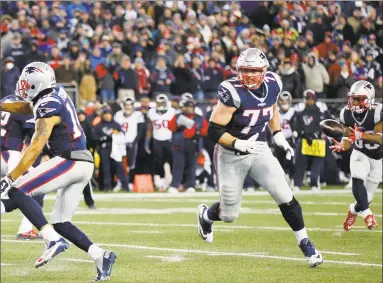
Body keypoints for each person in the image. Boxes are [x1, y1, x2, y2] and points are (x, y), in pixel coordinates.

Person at [196, 48, 323, 268]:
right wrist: (238, 143)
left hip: (259, 149)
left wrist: (278, 135)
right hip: (230, 154)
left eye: (253, 71)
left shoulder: (274, 83)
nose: (248, 75)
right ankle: (206, 216)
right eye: (244, 70)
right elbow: (214, 131)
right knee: (229, 215)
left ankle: (304, 242)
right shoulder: (232, 92)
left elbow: (271, 108)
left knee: (284, 194)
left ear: (264, 71)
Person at [0, 62, 116, 281]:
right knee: (61, 222)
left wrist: (10, 177)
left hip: (70, 160)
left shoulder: (47, 106)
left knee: (17, 190)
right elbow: (26, 108)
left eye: (26, 83)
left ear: (36, 84)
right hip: (82, 162)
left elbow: (35, 147)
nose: (22, 87)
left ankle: (52, 240)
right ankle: (101, 255)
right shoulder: (53, 94)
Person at [330, 80, 381, 231]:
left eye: (360, 99)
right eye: (354, 98)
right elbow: (347, 139)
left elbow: (380, 138)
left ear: (369, 99)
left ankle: (353, 210)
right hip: (360, 152)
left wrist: (361, 135)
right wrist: (342, 144)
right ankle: (367, 214)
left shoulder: (378, 112)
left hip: (378, 158)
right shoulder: (346, 113)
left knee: (367, 198)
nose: (356, 102)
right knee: (357, 180)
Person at [0, 95, 44, 240]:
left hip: (5, 154)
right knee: (38, 186)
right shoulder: (22, 107)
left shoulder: (4, 101)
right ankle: (25, 230)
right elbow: (34, 135)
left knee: (9, 191)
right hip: (9, 155)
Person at [168, 99, 208, 193]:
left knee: (192, 166)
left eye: (190, 107)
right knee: (178, 166)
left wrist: (199, 134)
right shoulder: (177, 116)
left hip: (193, 143)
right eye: (186, 107)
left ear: (194, 108)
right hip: (179, 143)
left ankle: (191, 186)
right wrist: (178, 127)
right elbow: (170, 127)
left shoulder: (199, 118)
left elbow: (205, 130)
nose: (188, 109)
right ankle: (175, 185)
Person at [292, 89, 327, 192]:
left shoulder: (320, 113)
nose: (310, 101)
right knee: (300, 163)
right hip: (304, 141)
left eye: (312, 99)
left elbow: (325, 125)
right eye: (308, 99)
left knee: (317, 164)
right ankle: (297, 184)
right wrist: (304, 135)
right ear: (305, 100)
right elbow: (296, 127)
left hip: (318, 141)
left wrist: (317, 135)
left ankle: (314, 184)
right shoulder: (300, 113)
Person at [94, 106, 128, 192]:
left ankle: (125, 186)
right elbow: (94, 136)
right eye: (105, 114)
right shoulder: (99, 125)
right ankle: (107, 186)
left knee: (119, 167)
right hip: (104, 148)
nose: (107, 116)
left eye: (109, 114)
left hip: (115, 149)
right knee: (106, 168)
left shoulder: (116, 124)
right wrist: (104, 137)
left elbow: (122, 133)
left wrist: (117, 134)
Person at [114, 98, 145, 189]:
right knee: (120, 163)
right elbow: (116, 128)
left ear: (132, 105)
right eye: (126, 105)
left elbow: (140, 130)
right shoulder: (118, 114)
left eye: (129, 105)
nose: (128, 107)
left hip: (132, 142)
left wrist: (134, 141)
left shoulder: (138, 115)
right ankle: (120, 182)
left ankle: (130, 182)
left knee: (131, 164)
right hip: (120, 143)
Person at [145, 94, 175, 191]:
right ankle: (161, 183)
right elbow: (149, 128)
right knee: (158, 162)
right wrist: (147, 142)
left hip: (170, 140)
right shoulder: (152, 112)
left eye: (162, 102)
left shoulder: (172, 111)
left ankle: (174, 183)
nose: (161, 104)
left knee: (172, 161)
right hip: (157, 140)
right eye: (159, 103)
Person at [275, 91, 295, 184]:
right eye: (282, 101)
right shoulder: (275, 111)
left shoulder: (293, 111)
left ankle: (290, 177)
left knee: (289, 160)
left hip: (289, 138)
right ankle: (282, 179)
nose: (284, 103)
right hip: (278, 139)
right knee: (279, 160)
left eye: (286, 101)